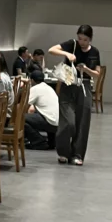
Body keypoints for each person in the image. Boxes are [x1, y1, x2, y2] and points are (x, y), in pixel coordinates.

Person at [49, 24, 100, 165]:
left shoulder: (94, 52)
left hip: (84, 86)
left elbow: (97, 74)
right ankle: (63, 151)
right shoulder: (72, 44)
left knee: (82, 122)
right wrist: (66, 54)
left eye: (85, 40)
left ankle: (77, 154)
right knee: (68, 122)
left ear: (90, 39)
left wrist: (86, 69)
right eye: (80, 38)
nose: (82, 42)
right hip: (68, 84)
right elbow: (51, 50)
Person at [24, 69, 59, 149]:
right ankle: (52, 142)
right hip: (58, 123)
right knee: (45, 113)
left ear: (31, 80)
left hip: (49, 122)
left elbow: (25, 107)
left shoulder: (35, 88)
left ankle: (39, 142)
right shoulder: (49, 88)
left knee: (21, 118)